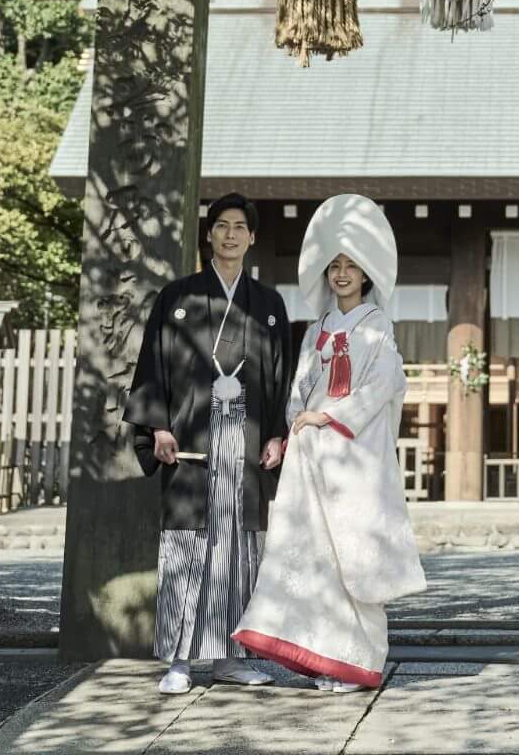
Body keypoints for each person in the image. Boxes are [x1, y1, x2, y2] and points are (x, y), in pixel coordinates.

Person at [233, 193, 426, 691]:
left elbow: (383, 384)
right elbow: (299, 385)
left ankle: (358, 661)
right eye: (334, 266)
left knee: (352, 558)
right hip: (312, 455)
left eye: (351, 267)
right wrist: (299, 417)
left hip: (351, 456)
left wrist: (328, 415)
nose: (341, 274)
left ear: (366, 275)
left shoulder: (377, 326)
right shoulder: (317, 329)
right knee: (313, 556)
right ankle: (322, 658)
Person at [126, 192, 292, 695]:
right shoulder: (177, 298)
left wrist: (279, 434)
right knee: (187, 547)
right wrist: (157, 426)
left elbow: (283, 378)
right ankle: (178, 660)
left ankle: (230, 659)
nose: (231, 234)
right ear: (210, 234)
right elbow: (152, 365)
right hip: (191, 439)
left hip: (245, 442)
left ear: (252, 237)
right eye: (222, 225)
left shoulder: (269, 304)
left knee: (240, 549)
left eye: (241, 226)